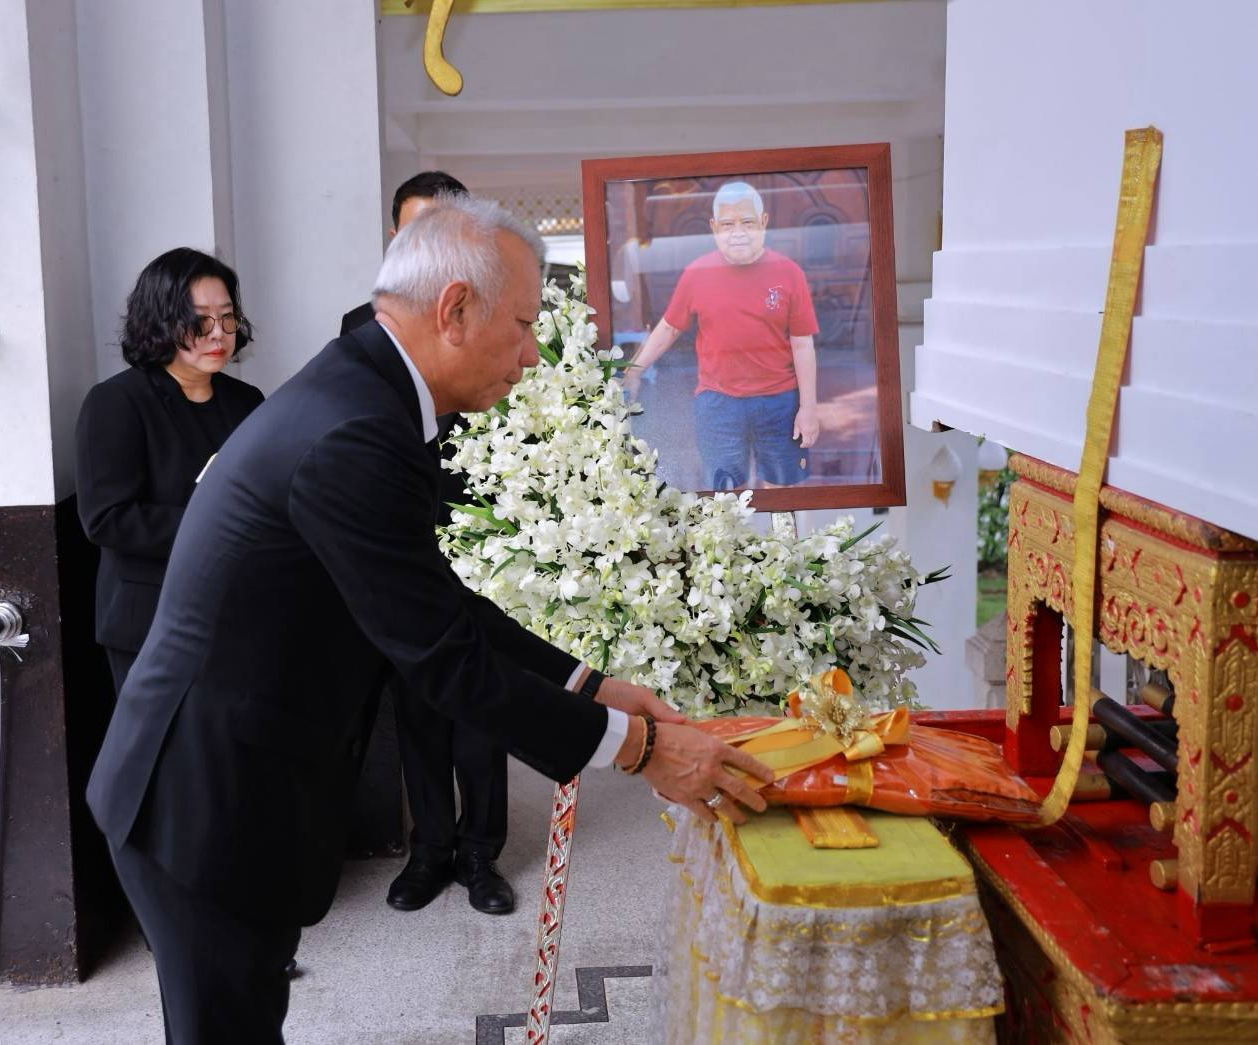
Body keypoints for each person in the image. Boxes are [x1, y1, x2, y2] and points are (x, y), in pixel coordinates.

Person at [86, 197, 774, 1045]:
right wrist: (640, 749)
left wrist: (591, 685)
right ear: (454, 310)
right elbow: (441, 657)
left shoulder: (363, 396)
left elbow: (435, 598)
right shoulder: (353, 429)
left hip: (237, 776)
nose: (530, 354)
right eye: (523, 325)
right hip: (199, 794)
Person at [343, 172, 518, 918]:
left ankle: (482, 854)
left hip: (483, 537)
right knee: (417, 704)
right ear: (396, 239)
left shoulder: (501, 319)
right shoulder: (362, 327)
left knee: (483, 705)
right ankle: (431, 850)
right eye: (420, 227)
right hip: (403, 540)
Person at [75, 248, 265, 695]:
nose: (217, 333)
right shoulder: (116, 402)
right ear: (160, 321)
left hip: (236, 612)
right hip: (151, 620)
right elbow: (108, 518)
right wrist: (223, 528)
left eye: (227, 317)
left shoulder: (246, 401)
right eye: (199, 320)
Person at [622, 180, 821, 490]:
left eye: (747, 222)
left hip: (779, 400)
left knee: (781, 495)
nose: (738, 232)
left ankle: (782, 526)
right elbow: (669, 328)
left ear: (764, 222)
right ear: (714, 227)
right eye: (728, 224)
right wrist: (634, 371)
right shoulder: (697, 273)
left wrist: (808, 408)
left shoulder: (789, 273)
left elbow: (802, 344)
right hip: (718, 403)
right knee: (724, 496)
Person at [339, 170, 468, 337]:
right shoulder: (359, 325)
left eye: (440, 234)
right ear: (395, 241)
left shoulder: (496, 319)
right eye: (412, 235)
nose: (427, 248)